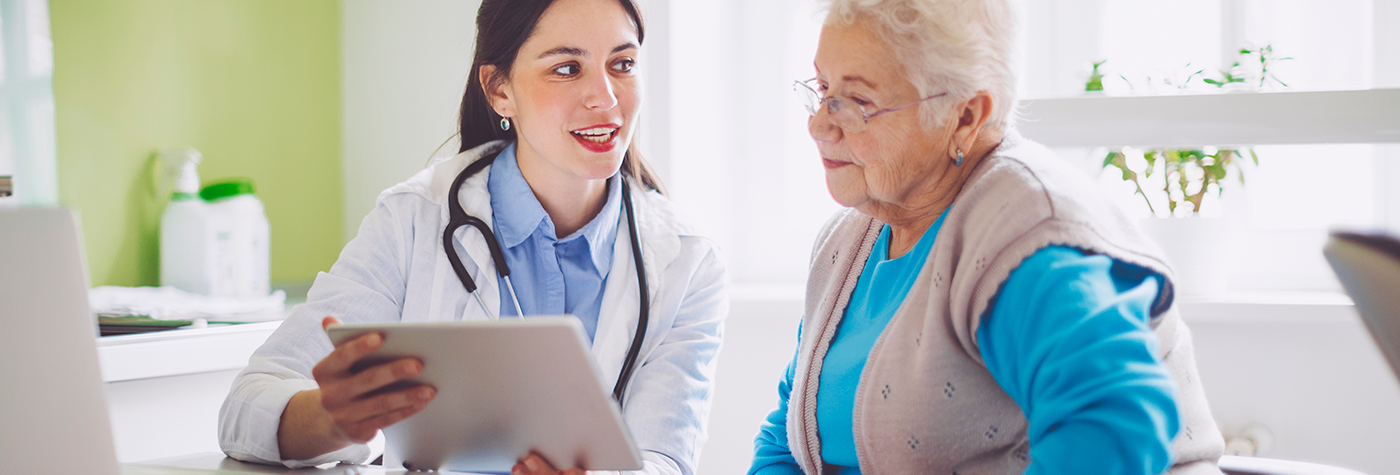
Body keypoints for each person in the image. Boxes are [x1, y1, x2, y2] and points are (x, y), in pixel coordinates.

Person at [218, 1, 728, 474]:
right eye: (567, 68)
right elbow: (245, 409)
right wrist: (332, 420)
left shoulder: (687, 264)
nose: (606, 97)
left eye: (622, 64)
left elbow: (663, 458)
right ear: (499, 89)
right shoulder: (412, 221)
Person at [749, 0, 1224, 474]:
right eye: (823, 88)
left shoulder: (1028, 230)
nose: (818, 125)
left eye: (857, 102)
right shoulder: (848, 239)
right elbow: (790, 436)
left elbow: (1115, 425)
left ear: (964, 117)